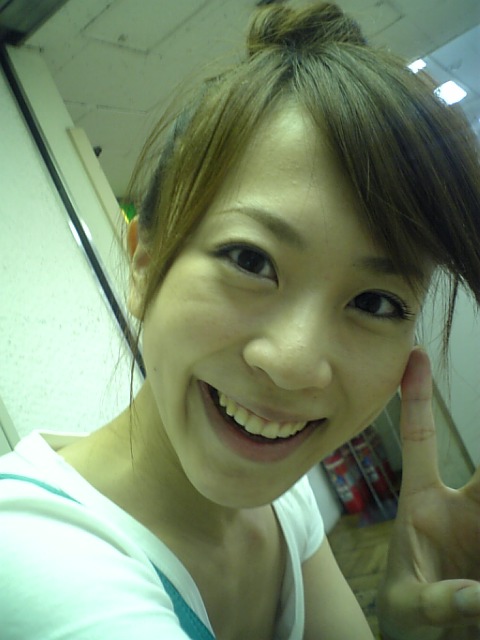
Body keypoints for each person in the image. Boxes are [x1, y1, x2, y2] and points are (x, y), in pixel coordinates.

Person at [0, 2, 479, 638]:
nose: (294, 363)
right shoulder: (33, 557)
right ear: (144, 263)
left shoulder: (281, 499)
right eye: (250, 260)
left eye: (374, 303)